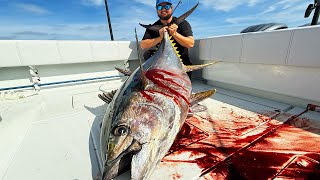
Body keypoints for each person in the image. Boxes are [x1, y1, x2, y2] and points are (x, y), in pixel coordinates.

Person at [140, 0, 195, 77]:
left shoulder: (183, 23)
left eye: (166, 6)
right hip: (160, 68)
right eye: (160, 7)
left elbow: (190, 43)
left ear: (171, 8)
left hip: (181, 68)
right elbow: (143, 45)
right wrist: (160, 37)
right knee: (147, 54)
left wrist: (175, 34)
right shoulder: (153, 27)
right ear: (157, 10)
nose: (163, 9)